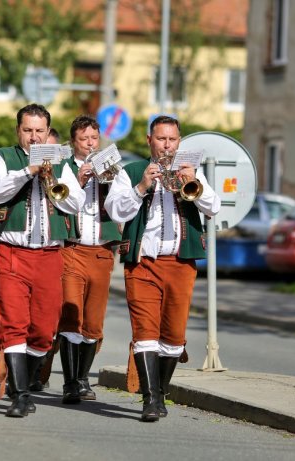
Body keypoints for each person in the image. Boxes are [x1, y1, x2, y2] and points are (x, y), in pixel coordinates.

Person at [104, 115, 221, 422]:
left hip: (181, 263)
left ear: (179, 142)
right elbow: (115, 209)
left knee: (173, 337)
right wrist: (142, 185)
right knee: (145, 332)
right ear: (149, 140)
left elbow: (213, 207)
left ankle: (161, 391)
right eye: (161, 139)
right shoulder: (130, 172)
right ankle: (150, 398)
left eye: (172, 140)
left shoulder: (189, 172)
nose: (166, 145)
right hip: (143, 263)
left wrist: (192, 180)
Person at [0, 104, 85, 417]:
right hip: (12, 253)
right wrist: (28, 172)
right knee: (13, 325)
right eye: (28, 130)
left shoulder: (61, 160)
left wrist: (53, 178)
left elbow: (76, 201)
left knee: (43, 332)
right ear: (18, 131)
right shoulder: (3, 157)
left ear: (48, 132)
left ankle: (19, 380)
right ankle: (21, 394)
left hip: (50, 255)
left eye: (40, 131)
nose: (34, 136)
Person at [56, 115, 122, 404]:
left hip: (101, 251)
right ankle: (71, 382)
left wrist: (111, 178)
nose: (90, 143)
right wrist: (81, 180)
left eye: (94, 139)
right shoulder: (64, 167)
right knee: (72, 315)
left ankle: (83, 378)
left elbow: (121, 205)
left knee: (93, 322)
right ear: (74, 142)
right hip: (71, 248)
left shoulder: (111, 168)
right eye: (84, 139)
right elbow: (60, 200)